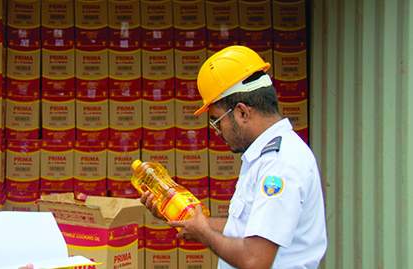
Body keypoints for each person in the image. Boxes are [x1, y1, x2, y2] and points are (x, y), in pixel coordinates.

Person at [140, 45, 327, 268]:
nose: (217, 132)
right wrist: (189, 220)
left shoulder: (279, 164)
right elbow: (247, 229)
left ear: (241, 112)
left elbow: (255, 260)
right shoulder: (266, 156)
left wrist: (204, 234)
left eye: (217, 121)